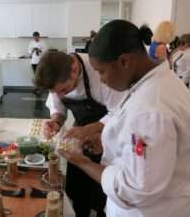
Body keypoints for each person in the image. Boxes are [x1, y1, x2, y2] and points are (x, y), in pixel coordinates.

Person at [59, 19, 190, 217]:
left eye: (102, 71)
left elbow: (133, 189)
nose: (101, 79)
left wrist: (81, 162)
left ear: (124, 61)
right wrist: (112, 143)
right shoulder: (155, 82)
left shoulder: (151, 109)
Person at [34, 51, 125, 217]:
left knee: (103, 190)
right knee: (78, 189)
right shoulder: (57, 75)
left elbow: (118, 112)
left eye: (65, 89)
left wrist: (90, 130)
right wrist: (55, 122)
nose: (61, 95)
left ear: (74, 70)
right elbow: (59, 110)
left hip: (108, 136)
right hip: (81, 134)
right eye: (57, 92)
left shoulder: (99, 71)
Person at [28, 31, 46, 96]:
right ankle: (37, 89)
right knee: (36, 75)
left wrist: (39, 50)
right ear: (33, 37)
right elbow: (29, 51)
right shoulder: (31, 43)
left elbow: (45, 50)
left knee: (40, 75)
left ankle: (38, 89)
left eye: (37, 37)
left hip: (40, 61)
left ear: (39, 36)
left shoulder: (42, 42)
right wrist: (32, 50)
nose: (36, 39)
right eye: (34, 37)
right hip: (33, 61)